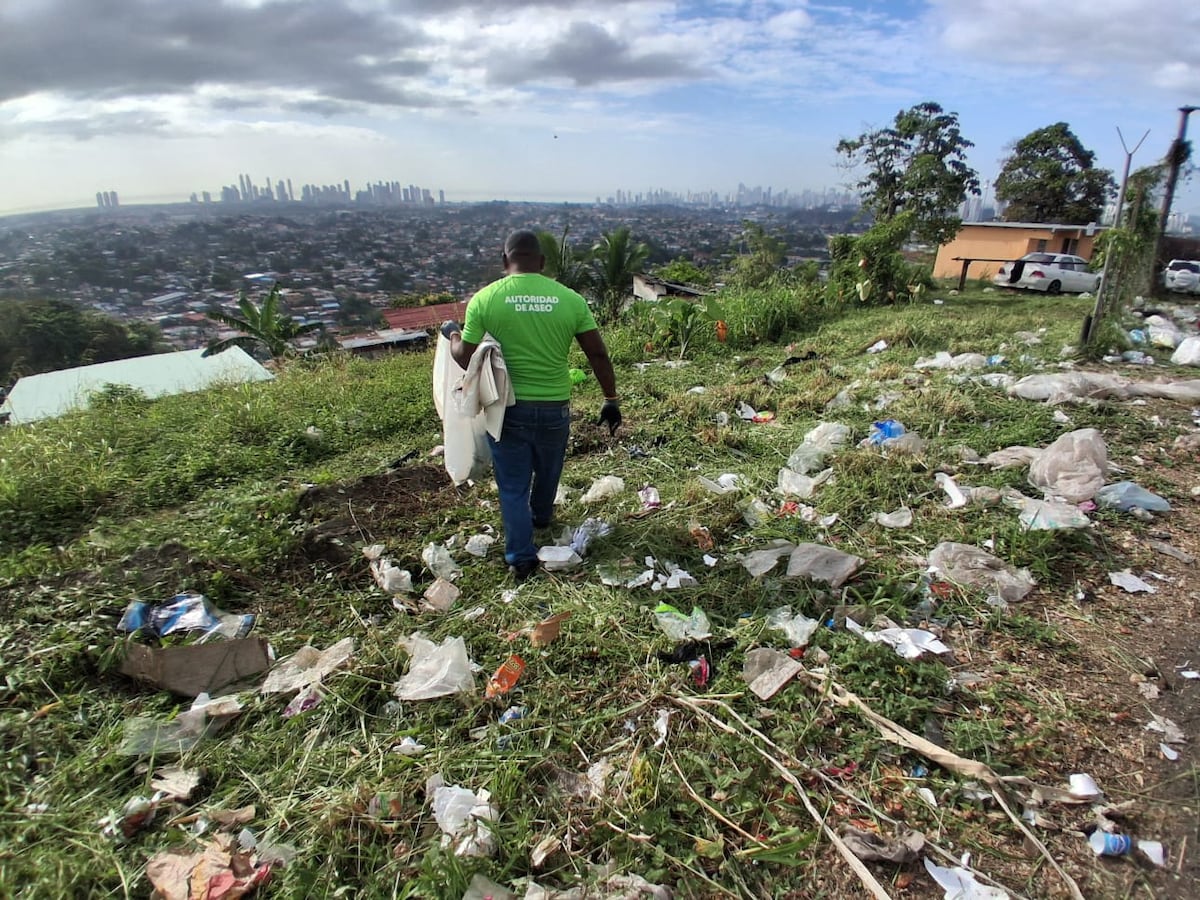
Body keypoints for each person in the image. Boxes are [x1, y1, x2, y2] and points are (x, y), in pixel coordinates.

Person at [441, 229, 621, 580]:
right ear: (541, 262)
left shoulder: (485, 299)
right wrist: (610, 399)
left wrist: (452, 334)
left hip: (508, 409)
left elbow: (464, 357)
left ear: (505, 261)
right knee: (549, 469)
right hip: (555, 407)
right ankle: (541, 515)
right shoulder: (570, 299)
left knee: (512, 484)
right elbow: (597, 353)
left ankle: (521, 557)